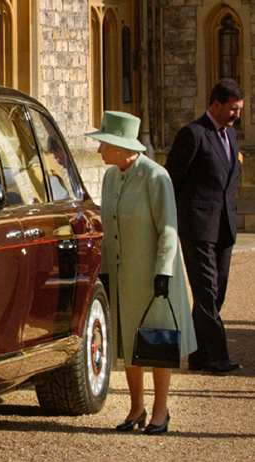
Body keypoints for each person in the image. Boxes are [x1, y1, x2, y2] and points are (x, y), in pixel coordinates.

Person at [87, 111, 196, 435]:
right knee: (126, 342)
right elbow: (108, 229)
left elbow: (168, 229)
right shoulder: (110, 177)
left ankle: (161, 410)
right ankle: (136, 408)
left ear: (120, 146)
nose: (98, 151)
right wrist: (104, 272)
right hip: (123, 276)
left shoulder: (156, 177)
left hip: (153, 278)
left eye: (103, 144)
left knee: (157, 343)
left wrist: (163, 272)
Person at [164, 79, 244, 375]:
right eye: (233, 109)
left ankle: (198, 355)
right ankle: (219, 355)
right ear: (216, 104)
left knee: (216, 292)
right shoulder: (193, 134)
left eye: (239, 110)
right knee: (207, 291)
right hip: (197, 227)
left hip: (225, 227)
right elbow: (173, 179)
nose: (236, 115)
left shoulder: (232, 136)